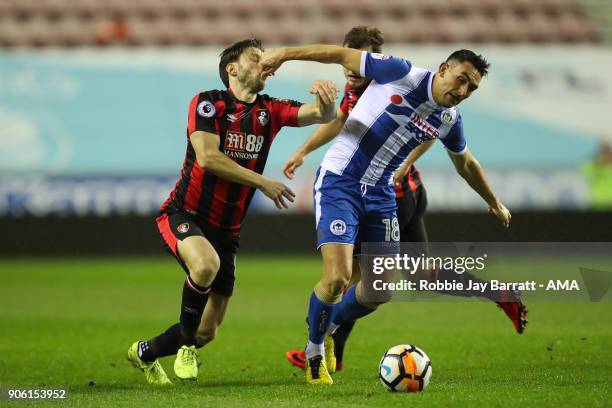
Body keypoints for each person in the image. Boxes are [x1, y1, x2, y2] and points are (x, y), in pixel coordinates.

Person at [261, 42, 512, 385]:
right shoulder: (400, 72)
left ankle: (329, 327)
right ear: (443, 68)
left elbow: (466, 163)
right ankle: (315, 352)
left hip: (381, 196)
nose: (463, 90)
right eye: (461, 79)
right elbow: (338, 54)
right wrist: (284, 54)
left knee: (378, 290)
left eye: (471, 87)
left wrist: (493, 201)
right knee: (336, 279)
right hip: (341, 182)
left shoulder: (450, 119)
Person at [126, 38, 339, 385]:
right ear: (233, 69)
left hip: (227, 232)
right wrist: (262, 182)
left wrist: (326, 101)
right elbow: (208, 158)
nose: (265, 62)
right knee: (205, 265)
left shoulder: (270, 110)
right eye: (256, 58)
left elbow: (320, 115)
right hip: (184, 214)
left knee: (207, 330)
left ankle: (145, 352)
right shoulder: (207, 104)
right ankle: (186, 351)